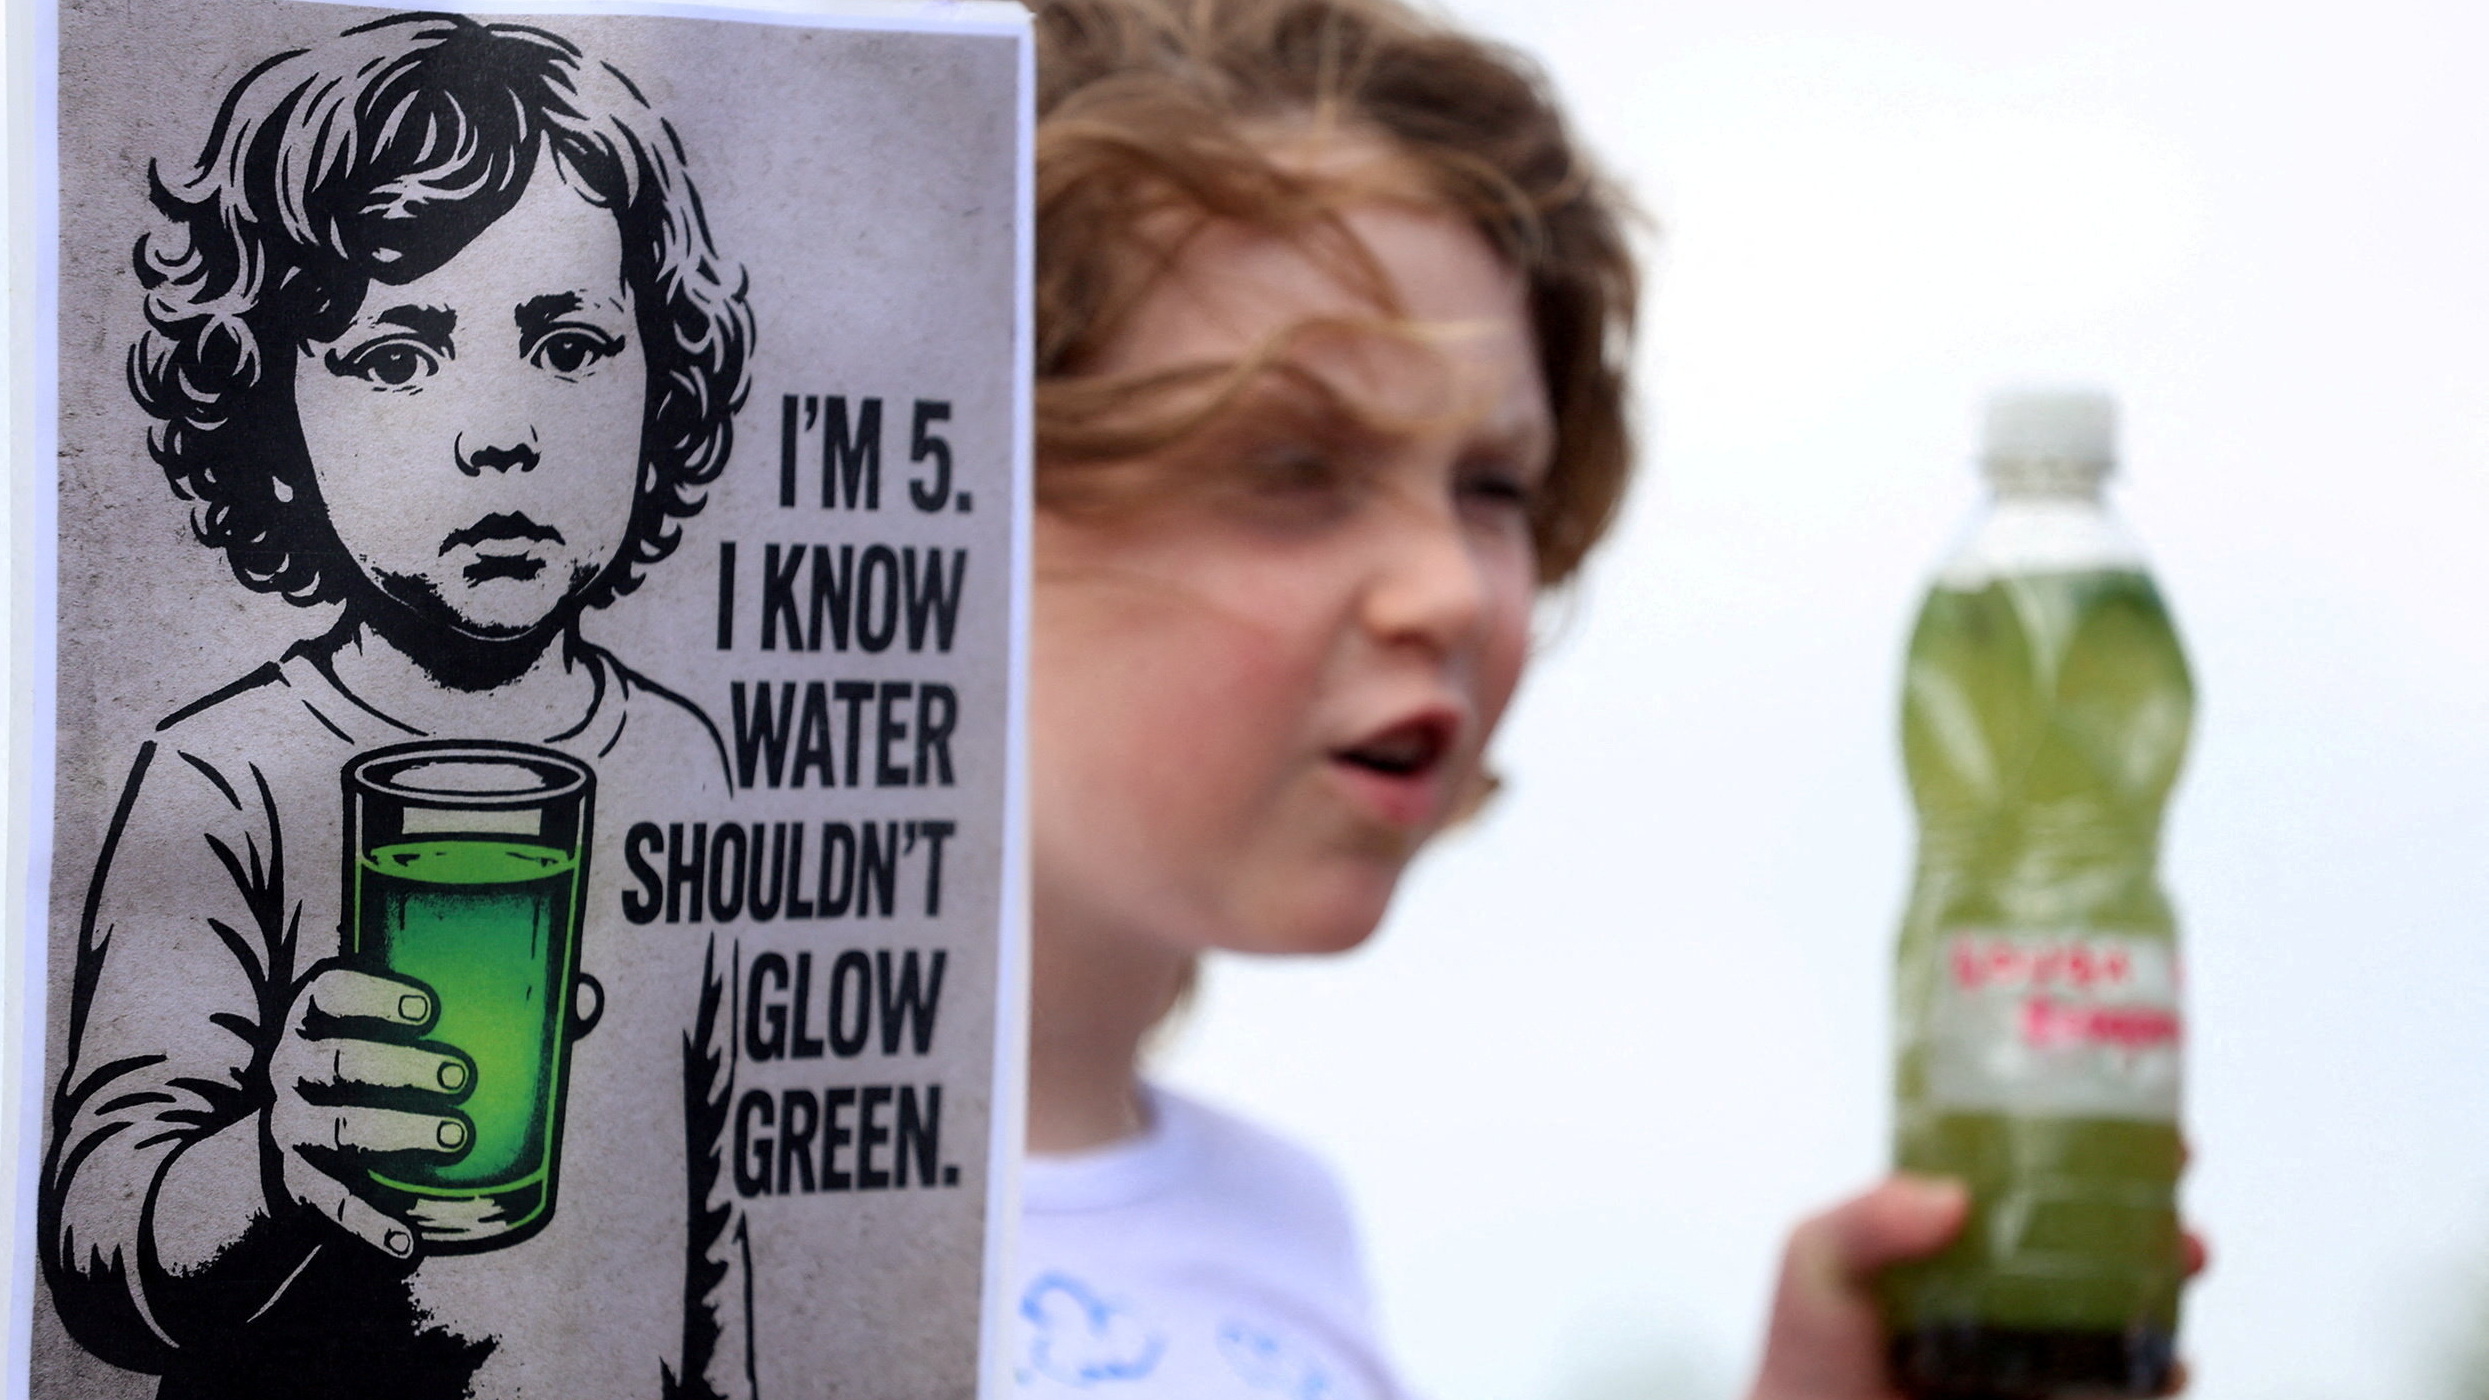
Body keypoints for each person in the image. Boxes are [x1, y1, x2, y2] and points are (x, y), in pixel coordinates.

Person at [1012, 2, 2191, 1397]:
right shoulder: (702, 1229)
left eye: (1493, 488)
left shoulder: (1281, 1236)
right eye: (1288, 467)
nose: (1447, 588)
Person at [42, 14, 754, 1398]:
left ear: (662, 374)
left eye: (566, 344)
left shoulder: (684, 757)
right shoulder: (224, 775)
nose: (500, 429)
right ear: (270, 418)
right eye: (394, 359)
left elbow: (714, 1239)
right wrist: (267, 1163)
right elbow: (95, 1237)